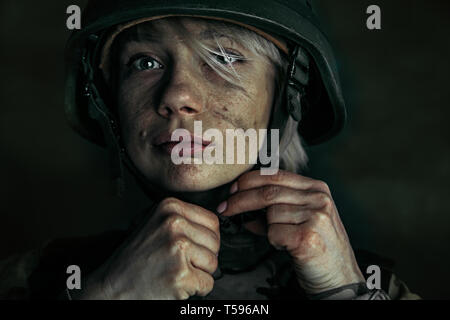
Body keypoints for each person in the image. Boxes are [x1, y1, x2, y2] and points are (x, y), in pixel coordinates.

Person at [0, 0, 419, 300]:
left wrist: (348, 293)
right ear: (112, 104)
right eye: (144, 62)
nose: (178, 95)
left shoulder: (374, 284)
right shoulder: (34, 278)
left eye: (223, 57)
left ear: (289, 92)